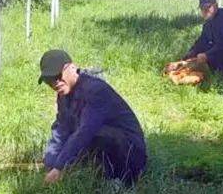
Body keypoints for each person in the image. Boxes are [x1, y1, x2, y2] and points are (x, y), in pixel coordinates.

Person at [39, 50, 147, 185]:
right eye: (49, 80)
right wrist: (51, 164)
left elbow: (85, 131)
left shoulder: (96, 90)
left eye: (58, 76)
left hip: (131, 154)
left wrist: (59, 167)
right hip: (104, 147)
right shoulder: (63, 96)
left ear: (72, 68)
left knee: (96, 135)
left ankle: (121, 183)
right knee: (75, 138)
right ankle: (96, 177)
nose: (55, 83)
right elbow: (61, 129)